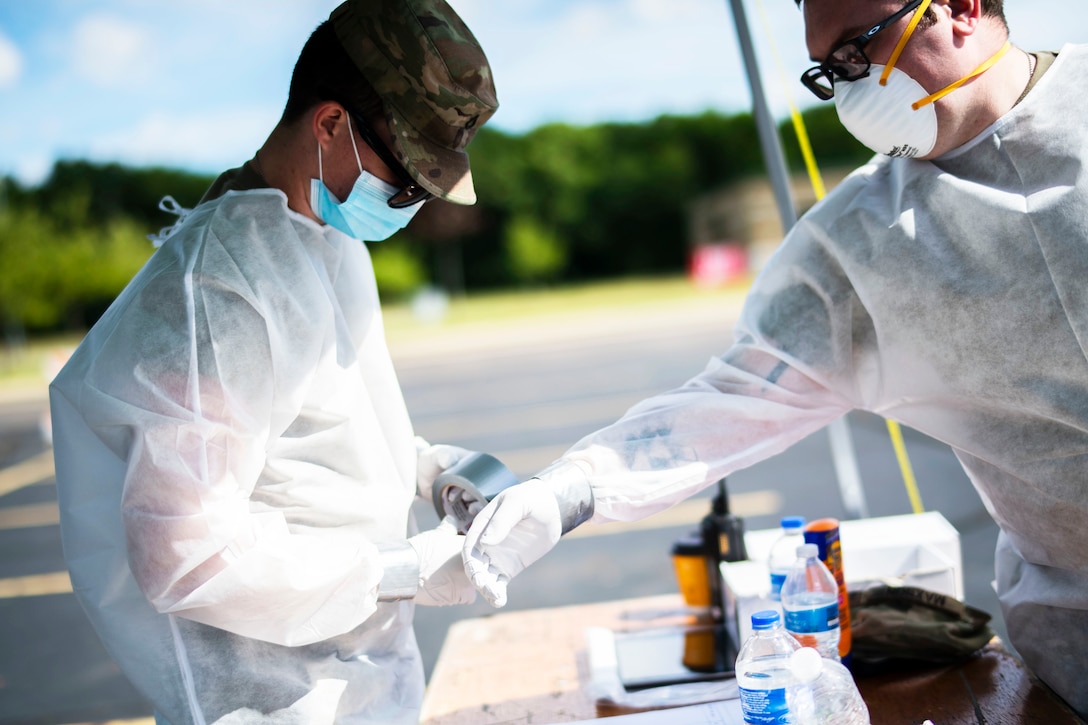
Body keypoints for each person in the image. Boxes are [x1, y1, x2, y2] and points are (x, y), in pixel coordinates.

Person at [462, 0, 1088, 716]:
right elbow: (730, 398)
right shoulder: (862, 244)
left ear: (960, 8)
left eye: (859, 48)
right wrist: (567, 489)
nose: (852, 87)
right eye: (831, 71)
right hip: (1075, 633)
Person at [48, 1, 498, 723]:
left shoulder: (321, 235)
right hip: (274, 699)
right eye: (407, 178)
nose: (409, 202)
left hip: (361, 683)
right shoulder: (219, 288)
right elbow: (187, 552)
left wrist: (427, 469)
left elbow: (311, 425)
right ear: (329, 124)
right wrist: (402, 570)